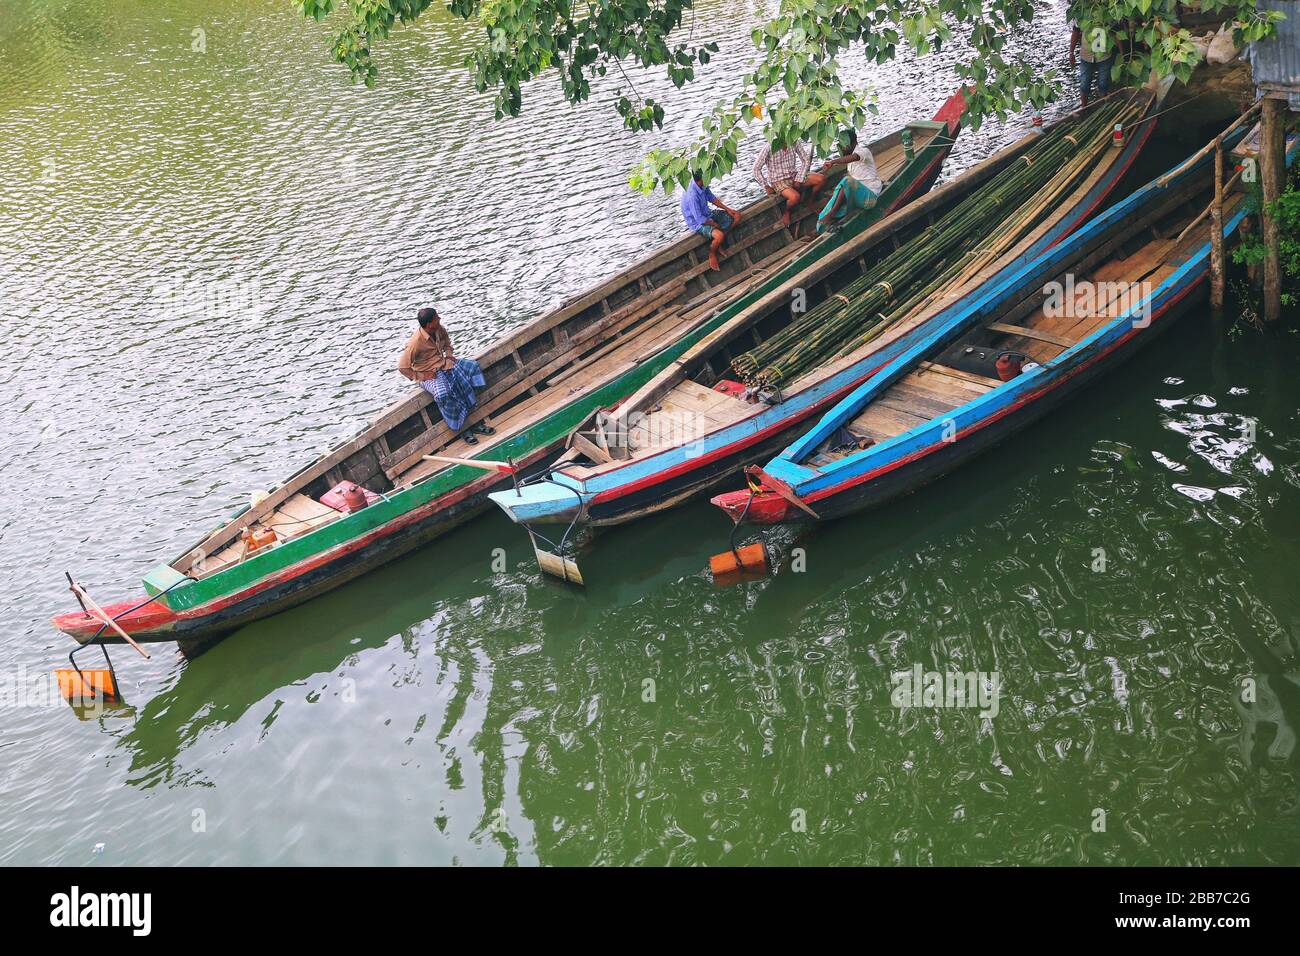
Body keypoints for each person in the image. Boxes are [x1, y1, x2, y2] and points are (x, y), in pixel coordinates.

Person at [397, 307, 495, 445]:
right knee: (444, 393)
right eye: (437, 318)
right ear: (429, 324)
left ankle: (473, 420)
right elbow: (402, 366)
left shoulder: (438, 329)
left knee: (472, 368)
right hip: (428, 374)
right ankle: (462, 428)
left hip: (444, 364)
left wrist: (449, 355)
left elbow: (446, 341)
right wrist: (422, 376)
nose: (439, 319)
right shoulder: (415, 343)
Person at [752, 139, 828, 238]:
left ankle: (810, 201)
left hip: (794, 175)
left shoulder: (794, 141)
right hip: (778, 181)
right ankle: (787, 212)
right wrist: (766, 186)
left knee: (821, 179)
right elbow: (756, 169)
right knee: (794, 197)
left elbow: (805, 160)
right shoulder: (769, 147)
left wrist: (799, 178)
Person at [815, 129, 882, 234]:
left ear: (852, 143)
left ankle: (831, 214)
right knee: (839, 189)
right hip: (859, 198)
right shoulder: (850, 163)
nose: (841, 148)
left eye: (843, 144)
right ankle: (822, 223)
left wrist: (833, 162)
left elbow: (854, 157)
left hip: (870, 198)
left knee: (847, 180)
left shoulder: (863, 152)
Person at [680, 170, 742, 271]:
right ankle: (712, 253)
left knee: (737, 216)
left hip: (708, 214)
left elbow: (711, 197)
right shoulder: (692, 195)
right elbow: (699, 219)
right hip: (698, 222)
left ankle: (718, 244)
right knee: (719, 235)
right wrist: (714, 224)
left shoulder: (702, 184)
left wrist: (728, 209)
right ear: (700, 180)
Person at [1070, 18, 1115, 108]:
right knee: (1084, 84)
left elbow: (1115, 33)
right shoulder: (1081, 14)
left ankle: (1104, 107)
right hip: (1086, 55)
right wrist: (1071, 52)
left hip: (1104, 55)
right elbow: (1075, 32)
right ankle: (1083, 108)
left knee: (1103, 83)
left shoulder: (1106, 13)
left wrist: (1122, 55)